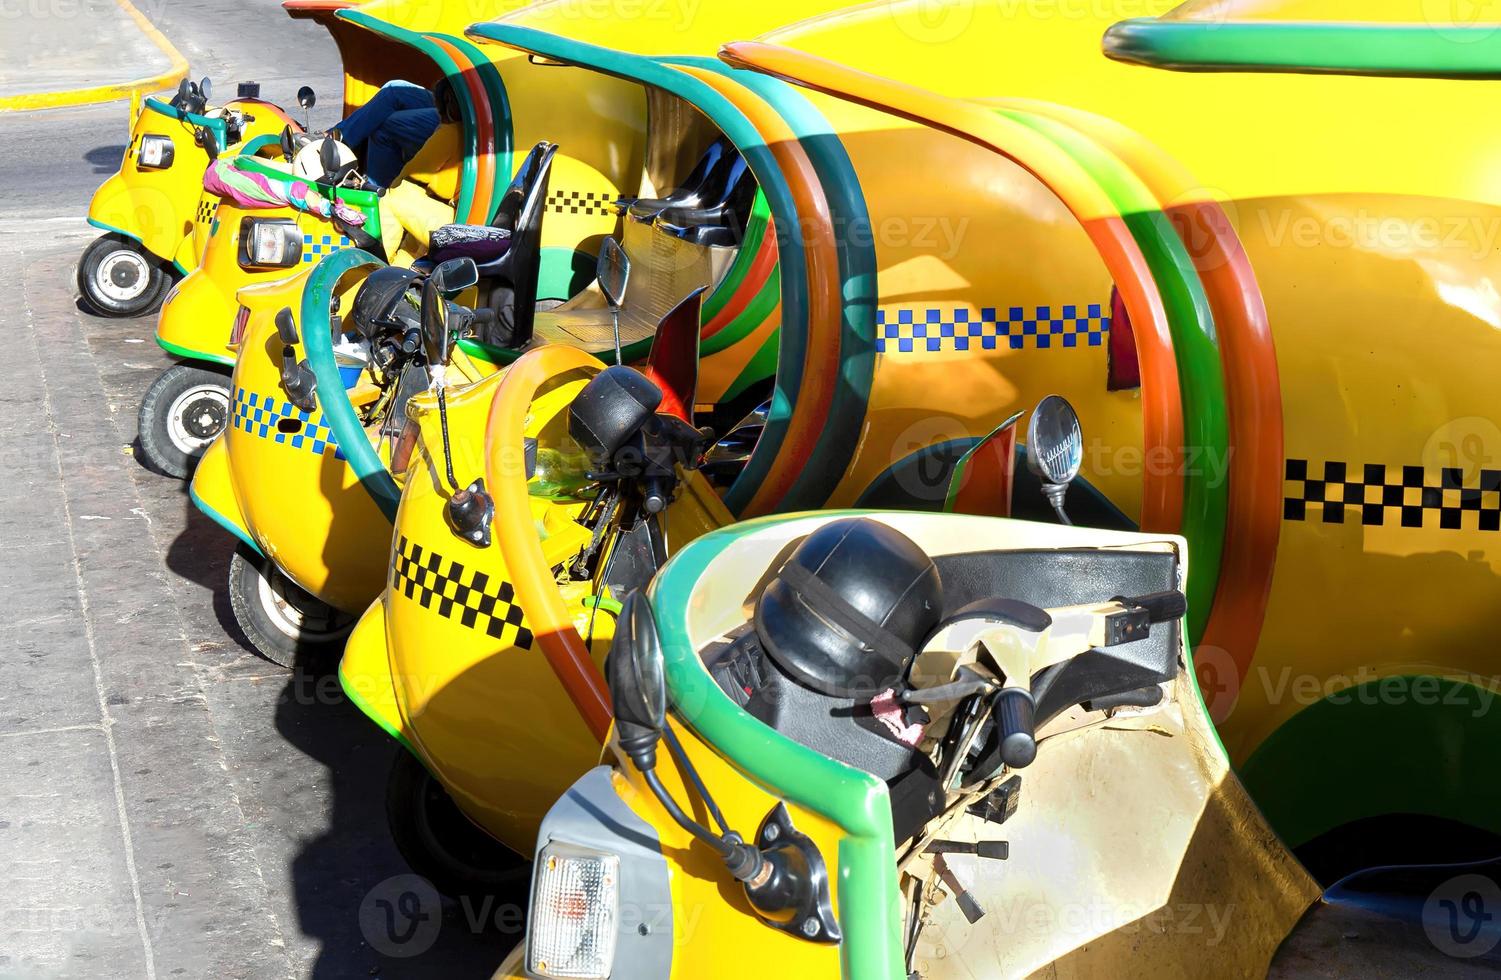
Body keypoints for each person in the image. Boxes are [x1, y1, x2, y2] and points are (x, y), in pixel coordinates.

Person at [330, 78, 456, 189]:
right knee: (393, 89)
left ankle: (378, 194)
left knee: (385, 126)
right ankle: (333, 142)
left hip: (466, 112)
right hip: (458, 93)